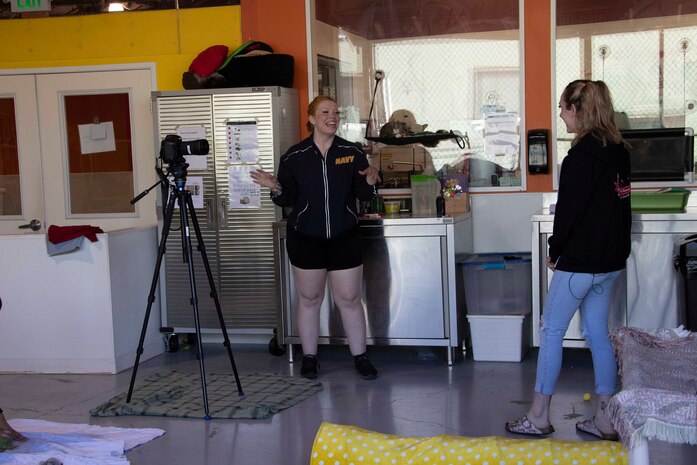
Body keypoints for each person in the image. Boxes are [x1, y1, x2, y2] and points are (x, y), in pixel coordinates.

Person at [505, 80, 631, 440]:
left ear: (578, 109)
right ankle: (605, 420)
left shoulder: (579, 157)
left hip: (580, 264)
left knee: (551, 331)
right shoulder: (619, 151)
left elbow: (569, 213)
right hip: (610, 263)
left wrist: (555, 251)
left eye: (563, 107)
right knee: (598, 335)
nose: (560, 115)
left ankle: (539, 417)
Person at [250, 96, 381, 380]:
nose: (332, 117)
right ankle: (309, 358)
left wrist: (370, 183)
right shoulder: (294, 156)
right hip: (306, 237)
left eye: (336, 112)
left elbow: (363, 195)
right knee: (309, 298)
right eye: (325, 112)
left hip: (344, 235)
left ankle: (360, 356)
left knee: (349, 298)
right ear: (311, 119)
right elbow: (287, 199)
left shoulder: (352, 152)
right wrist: (274, 185)